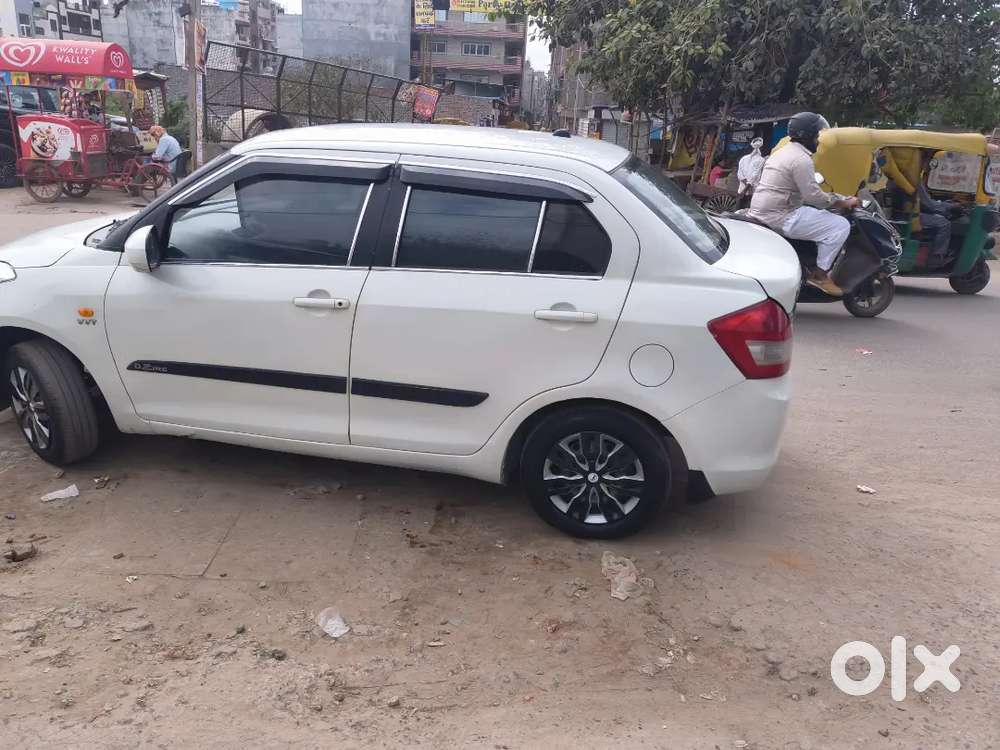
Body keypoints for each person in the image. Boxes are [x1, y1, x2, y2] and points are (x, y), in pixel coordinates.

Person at [748, 112, 859, 296]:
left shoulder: (781, 153)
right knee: (839, 226)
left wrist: (837, 198)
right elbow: (814, 196)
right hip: (782, 215)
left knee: (815, 215)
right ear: (807, 136)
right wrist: (842, 202)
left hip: (764, 210)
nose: (818, 140)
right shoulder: (801, 159)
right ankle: (820, 275)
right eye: (816, 136)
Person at [881, 148, 954, 268]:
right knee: (944, 223)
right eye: (926, 158)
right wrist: (951, 206)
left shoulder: (896, 176)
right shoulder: (912, 179)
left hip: (898, 213)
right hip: (909, 216)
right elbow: (931, 205)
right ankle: (936, 257)